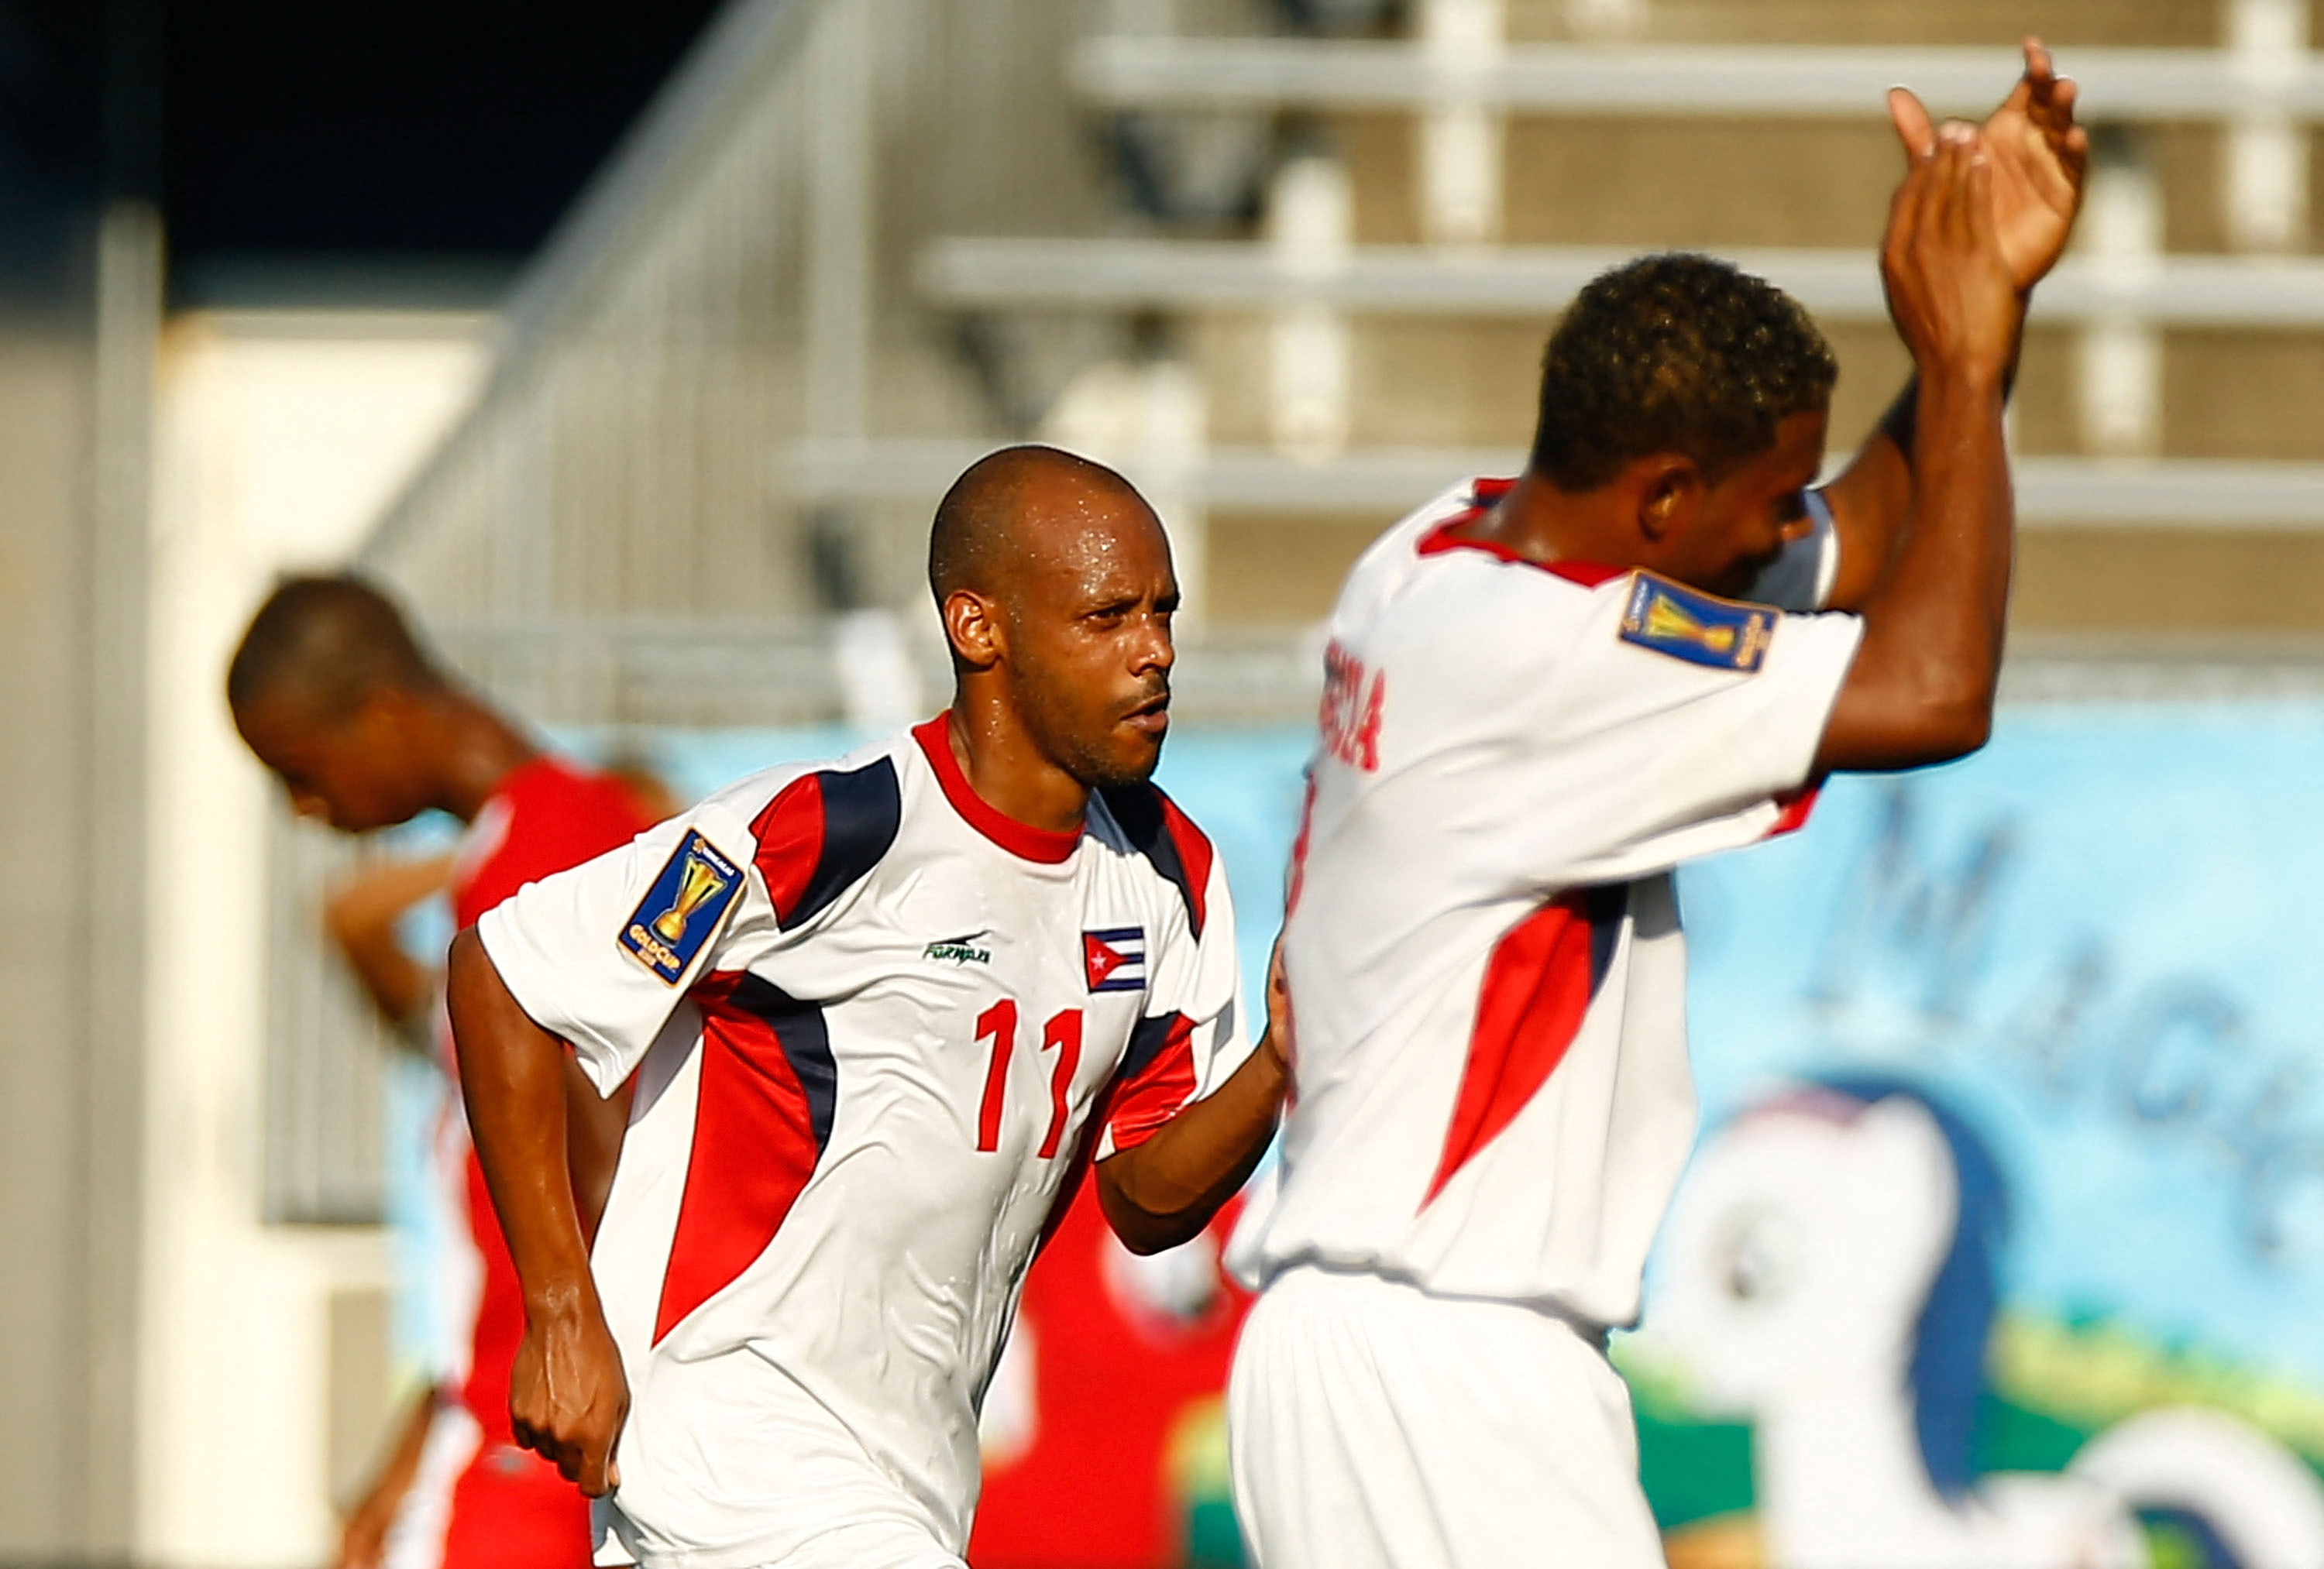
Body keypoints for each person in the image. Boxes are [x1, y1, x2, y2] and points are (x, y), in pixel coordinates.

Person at [1222, 43, 2089, 1569]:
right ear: (1666, 499)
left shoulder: (1440, 552)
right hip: (1454, 1364)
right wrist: (1952, 367)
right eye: (1768, 503)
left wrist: (1988, 307)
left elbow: (1873, 536)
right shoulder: (1555, 658)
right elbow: (1936, 687)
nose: (1790, 535)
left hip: (1337, 1350)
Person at [444, 445, 1291, 1569]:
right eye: (1108, 616)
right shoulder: (826, 833)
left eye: (1165, 614)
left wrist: (1284, 1055)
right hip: (735, 1447)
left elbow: (1142, 1198)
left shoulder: (1170, 872)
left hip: (914, 1477)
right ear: (978, 628)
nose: (1155, 653)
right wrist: (561, 1308)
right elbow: (503, 968)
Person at [228, 575, 659, 1569]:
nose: (305, 807)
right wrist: (414, 1441)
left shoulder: (554, 858)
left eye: (302, 768)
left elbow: (609, 1173)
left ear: (380, 713)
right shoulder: (523, 846)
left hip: (534, 1447)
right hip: (511, 1418)